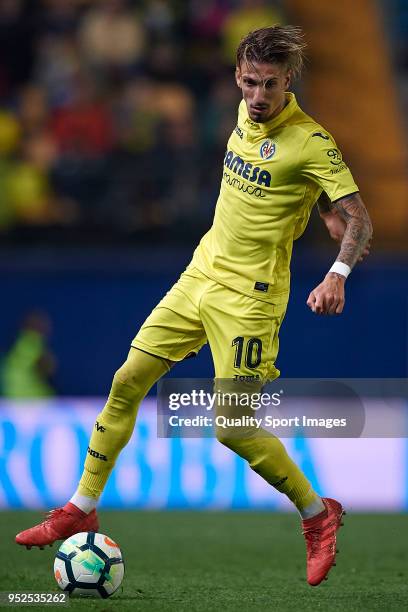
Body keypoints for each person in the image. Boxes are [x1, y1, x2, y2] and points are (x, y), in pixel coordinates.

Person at [16, 26, 373, 587]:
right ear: (237, 77)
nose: (258, 97)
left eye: (271, 86)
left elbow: (360, 218)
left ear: (289, 83)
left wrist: (337, 273)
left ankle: (317, 513)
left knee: (230, 428)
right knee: (127, 378)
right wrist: (316, 206)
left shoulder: (311, 141)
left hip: (250, 300)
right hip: (200, 274)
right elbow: (297, 193)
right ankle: (80, 506)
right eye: (250, 83)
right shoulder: (242, 113)